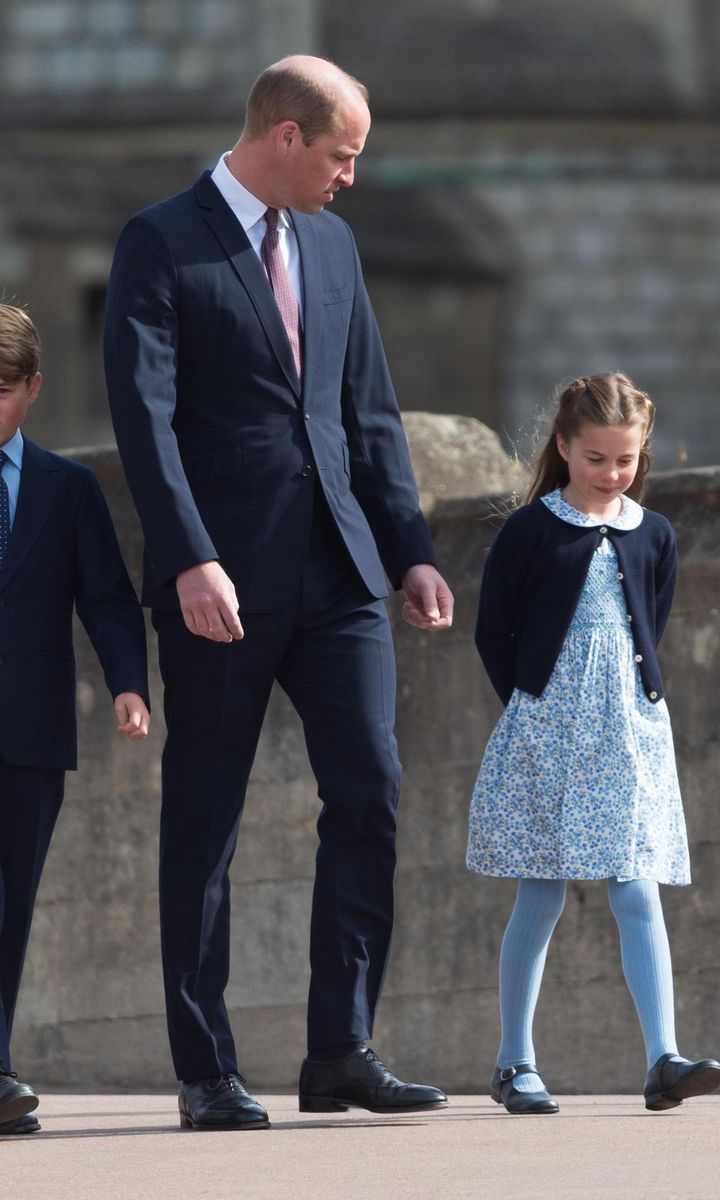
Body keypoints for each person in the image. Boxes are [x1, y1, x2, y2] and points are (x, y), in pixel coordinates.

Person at [103, 55, 453, 1130]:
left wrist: (411, 549)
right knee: (205, 822)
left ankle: (339, 1050)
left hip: (339, 572)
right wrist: (189, 554)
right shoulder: (160, 240)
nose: (353, 176)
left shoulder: (338, 246)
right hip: (221, 581)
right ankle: (206, 1069)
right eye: (343, 154)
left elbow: (370, 413)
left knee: (371, 794)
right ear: (287, 136)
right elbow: (144, 418)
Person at [467, 372, 720, 1114]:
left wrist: (625, 703)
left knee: (636, 886)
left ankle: (663, 1060)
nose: (612, 474)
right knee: (540, 893)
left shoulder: (656, 534)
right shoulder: (529, 530)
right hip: (546, 728)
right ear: (564, 448)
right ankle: (515, 1062)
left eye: (626, 460)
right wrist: (534, 706)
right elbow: (494, 633)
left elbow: (653, 622)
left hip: (630, 732)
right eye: (596, 459)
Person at [0, 304, 150, 1135]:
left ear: (33, 390)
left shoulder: (67, 488)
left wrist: (130, 684)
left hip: (29, 732)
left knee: (11, 905)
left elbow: (107, 599)